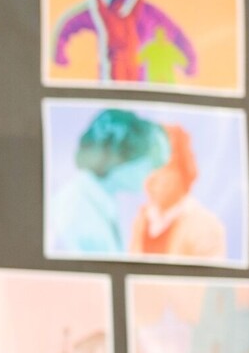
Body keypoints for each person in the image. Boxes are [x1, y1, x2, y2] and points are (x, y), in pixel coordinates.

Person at [51, 0, 196, 84]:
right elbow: (70, 25)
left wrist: (191, 61)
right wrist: (59, 50)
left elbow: (176, 34)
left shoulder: (146, 13)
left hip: (139, 77)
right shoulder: (108, 12)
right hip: (114, 70)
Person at [48, 107, 168, 256]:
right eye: (149, 164)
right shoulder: (75, 210)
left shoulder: (101, 203)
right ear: (121, 155)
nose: (151, 174)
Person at [130, 124, 227, 261]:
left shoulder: (205, 227)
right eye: (146, 167)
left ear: (182, 170)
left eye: (159, 166)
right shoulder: (142, 219)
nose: (150, 178)